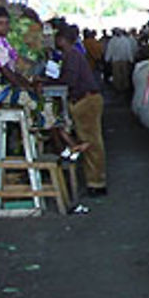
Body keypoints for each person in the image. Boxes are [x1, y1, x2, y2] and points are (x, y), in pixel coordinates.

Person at [0, 9, 88, 160]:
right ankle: (66, 145)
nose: (4, 27)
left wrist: (30, 83)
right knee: (43, 104)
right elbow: (8, 74)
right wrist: (27, 87)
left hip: (9, 86)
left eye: (6, 23)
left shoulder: (4, 43)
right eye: (0, 23)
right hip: (0, 91)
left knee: (47, 103)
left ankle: (65, 147)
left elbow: (15, 71)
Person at [52, 25, 107, 196]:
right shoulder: (72, 55)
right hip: (85, 100)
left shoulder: (72, 56)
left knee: (91, 143)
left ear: (61, 40)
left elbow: (68, 80)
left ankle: (97, 183)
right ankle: (95, 181)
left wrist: (46, 82)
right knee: (90, 141)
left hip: (86, 101)